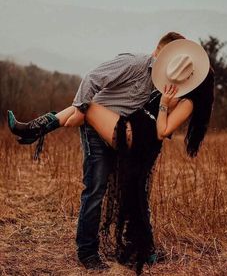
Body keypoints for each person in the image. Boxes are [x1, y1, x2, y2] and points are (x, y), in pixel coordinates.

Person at [7, 37, 215, 274]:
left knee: (87, 110)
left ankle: (39, 127)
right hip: (120, 131)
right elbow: (99, 83)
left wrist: (165, 104)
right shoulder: (151, 73)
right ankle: (130, 250)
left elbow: (161, 129)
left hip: (132, 137)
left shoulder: (178, 94)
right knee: (126, 191)